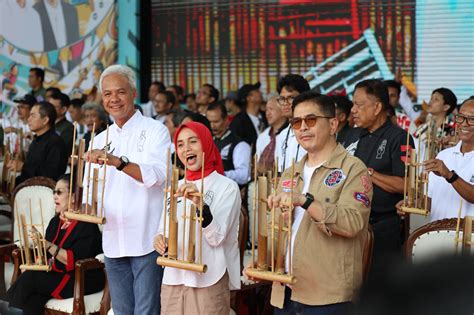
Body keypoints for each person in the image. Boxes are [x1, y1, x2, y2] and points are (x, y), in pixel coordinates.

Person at [264, 92, 371, 313]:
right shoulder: (290, 173)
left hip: (327, 295)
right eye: (296, 122)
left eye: (310, 120)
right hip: (284, 289)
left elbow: (352, 223)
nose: (302, 127)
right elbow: (275, 227)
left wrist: (305, 201)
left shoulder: (353, 168)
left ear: (333, 124)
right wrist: (262, 263)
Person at [83, 65, 170, 314]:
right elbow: (91, 191)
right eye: (108, 94)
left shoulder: (156, 130)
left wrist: (116, 161)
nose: (114, 99)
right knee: (122, 311)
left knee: (146, 311)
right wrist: (79, 205)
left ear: (133, 93)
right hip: (113, 239)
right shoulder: (99, 139)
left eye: (120, 92)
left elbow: (157, 175)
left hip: (147, 238)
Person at [154, 121, 241, 315]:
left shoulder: (226, 187)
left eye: (193, 141)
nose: (187, 149)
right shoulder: (174, 186)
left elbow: (217, 237)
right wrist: (159, 240)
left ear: (207, 143)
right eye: (181, 144)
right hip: (173, 276)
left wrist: (201, 205)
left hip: (209, 275)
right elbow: (163, 229)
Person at [4, 174, 104, 314]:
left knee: (31, 278)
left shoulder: (86, 223)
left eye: (59, 192)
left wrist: (47, 245)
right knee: (33, 299)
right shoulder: (55, 221)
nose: (54, 196)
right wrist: (36, 264)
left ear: (73, 197)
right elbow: (46, 256)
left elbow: (74, 260)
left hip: (81, 279)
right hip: (58, 274)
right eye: (54, 192)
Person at [344, 79, 414, 275]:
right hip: (348, 223)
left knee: (377, 289)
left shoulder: (399, 137)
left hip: (381, 226)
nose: (353, 110)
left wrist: (367, 172)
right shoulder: (352, 135)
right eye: (352, 104)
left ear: (377, 107)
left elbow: (407, 185)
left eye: (358, 105)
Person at [397, 97, 474, 221]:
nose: (464, 123)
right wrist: (411, 205)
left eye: (471, 119)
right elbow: (431, 199)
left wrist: (449, 175)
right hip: (435, 234)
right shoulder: (444, 155)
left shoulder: (444, 165)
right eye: (461, 117)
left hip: (468, 237)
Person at [12, 101, 68, 186]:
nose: (28, 119)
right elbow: (26, 176)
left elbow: (51, 175)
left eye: (33, 116)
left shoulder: (56, 143)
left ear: (45, 120)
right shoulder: (36, 140)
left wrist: (23, 167)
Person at [207, 102, 251, 186]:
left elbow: (244, 175)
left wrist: (219, 174)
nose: (212, 126)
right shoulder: (208, 141)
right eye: (209, 121)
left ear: (226, 120)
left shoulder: (240, 145)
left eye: (216, 121)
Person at [274, 74, 310, 173]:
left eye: (291, 98)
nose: (286, 103)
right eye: (282, 99)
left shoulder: (313, 130)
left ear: (304, 98)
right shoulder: (281, 136)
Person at [230, 82, 268, 150]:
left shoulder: (267, 116)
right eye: (257, 91)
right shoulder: (239, 121)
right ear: (249, 98)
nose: (260, 93)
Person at [256, 96, 288, 174]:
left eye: (271, 109)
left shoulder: (291, 133)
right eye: (266, 110)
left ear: (282, 110)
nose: (267, 113)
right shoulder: (263, 136)